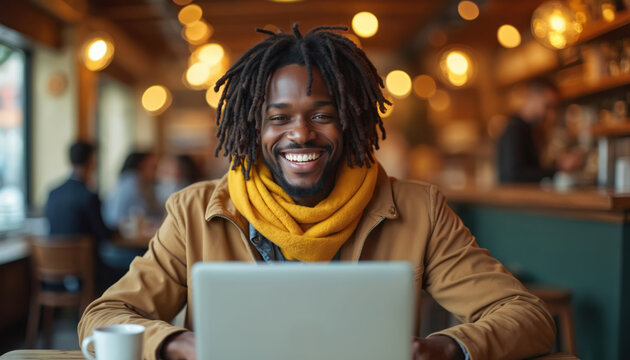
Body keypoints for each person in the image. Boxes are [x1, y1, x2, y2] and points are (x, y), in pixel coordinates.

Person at [79, 25, 555, 360]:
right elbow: (103, 316)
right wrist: (179, 344)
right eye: (278, 117)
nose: (300, 134)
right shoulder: (195, 211)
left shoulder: (418, 209)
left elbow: (527, 317)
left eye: (322, 115)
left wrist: (446, 347)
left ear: (351, 122)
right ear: (252, 127)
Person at [44, 141, 113, 291]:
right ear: (91, 161)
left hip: (51, 273)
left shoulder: (52, 193)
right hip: (86, 273)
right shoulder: (88, 196)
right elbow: (103, 235)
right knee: (128, 269)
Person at [497, 79, 583, 183]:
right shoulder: (514, 129)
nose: (552, 115)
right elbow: (513, 176)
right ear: (531, 97)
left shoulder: (530, 130)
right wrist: (558, 170)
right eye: (548, 106)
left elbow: (530, 170)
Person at [102, 151, 163, 230]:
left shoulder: (142, 183)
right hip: (120, 234)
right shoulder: (131, 183)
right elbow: (144, 212)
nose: (156, 171)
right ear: (141, 165)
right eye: (153, 167)